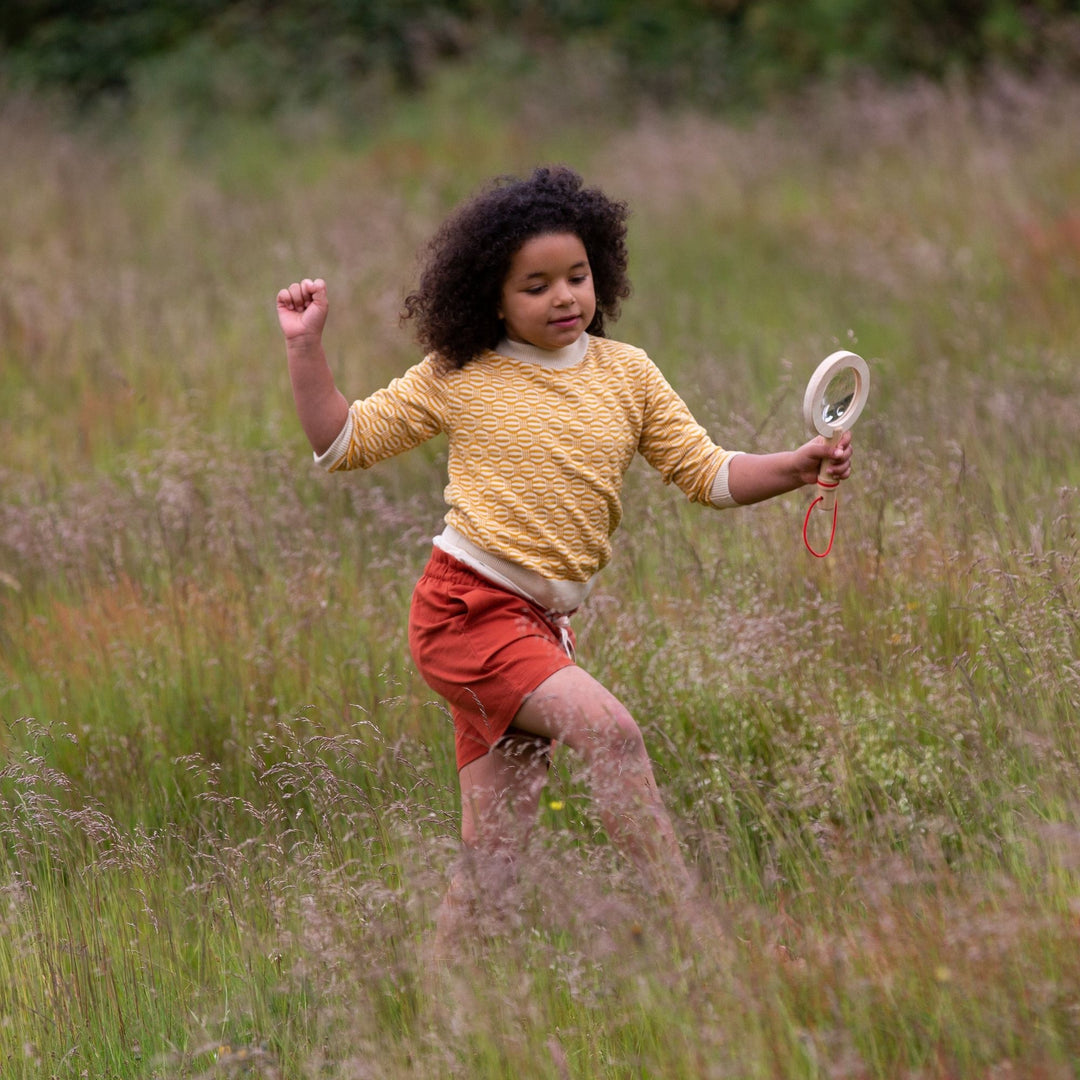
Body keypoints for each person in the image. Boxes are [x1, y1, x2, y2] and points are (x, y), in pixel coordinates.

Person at [276, 165, 853, 946]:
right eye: (536, 285)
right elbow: (339, 441)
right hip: (466, 612)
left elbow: (709, 474)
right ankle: (700, 939)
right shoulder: (463, 375)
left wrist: (796, 464)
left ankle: (434, 1016)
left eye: (577, 276)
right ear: (492, 295)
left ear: (601, 274)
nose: (564, 298)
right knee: (611, 733)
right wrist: (305, 348)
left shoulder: (629, 374)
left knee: (495, 858)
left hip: (541, 627)